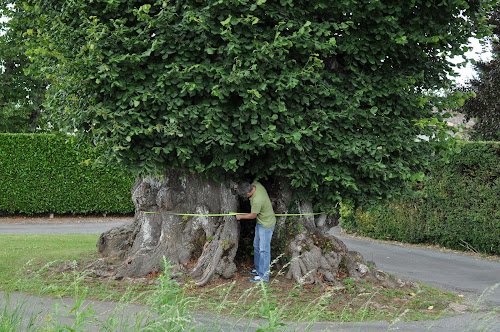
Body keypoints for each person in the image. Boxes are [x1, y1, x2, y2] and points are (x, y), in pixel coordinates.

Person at [234, 181, 276, 283]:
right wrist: (239, 186)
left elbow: (252, 215)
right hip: (261, 222)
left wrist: (240, 216)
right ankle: (259, 270)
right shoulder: (256, 185)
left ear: (248, 194)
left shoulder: (257, 200)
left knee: (264, 250)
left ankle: (264, 276)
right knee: (256, 246)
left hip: (266, 224)